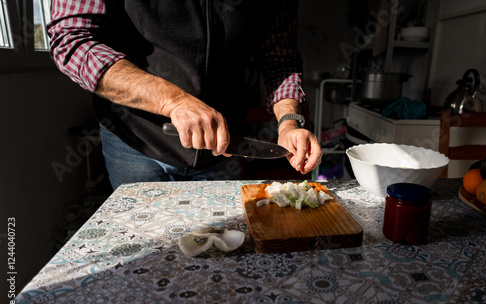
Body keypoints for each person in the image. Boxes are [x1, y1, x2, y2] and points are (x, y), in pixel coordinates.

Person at [47, 0, 322, 190]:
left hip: (222, 151)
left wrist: (289, 123)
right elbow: (72, 40)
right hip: (136, 141)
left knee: (219, 249)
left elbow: (280, 58)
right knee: (146, 250)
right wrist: (173, 101)